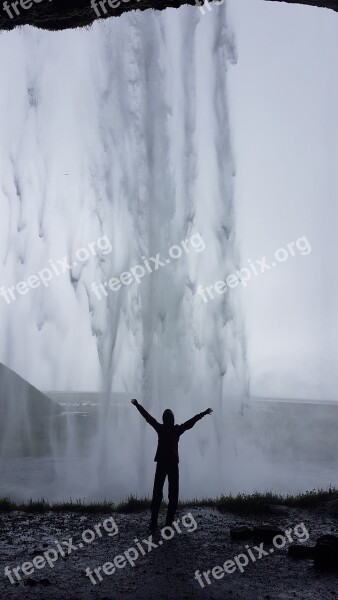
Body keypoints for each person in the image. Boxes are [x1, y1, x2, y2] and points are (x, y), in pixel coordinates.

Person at [131, 398, 213, 532]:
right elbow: (191, 422)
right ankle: (168, 522)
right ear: (172, 419)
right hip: (173, 464)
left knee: (157, 492)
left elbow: (148, 418)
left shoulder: (161, 428)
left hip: (162, 463)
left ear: (164, 419)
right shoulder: (176, 430)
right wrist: (203, 413)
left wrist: (137, 405)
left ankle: (154, 521)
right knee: (173, 494)